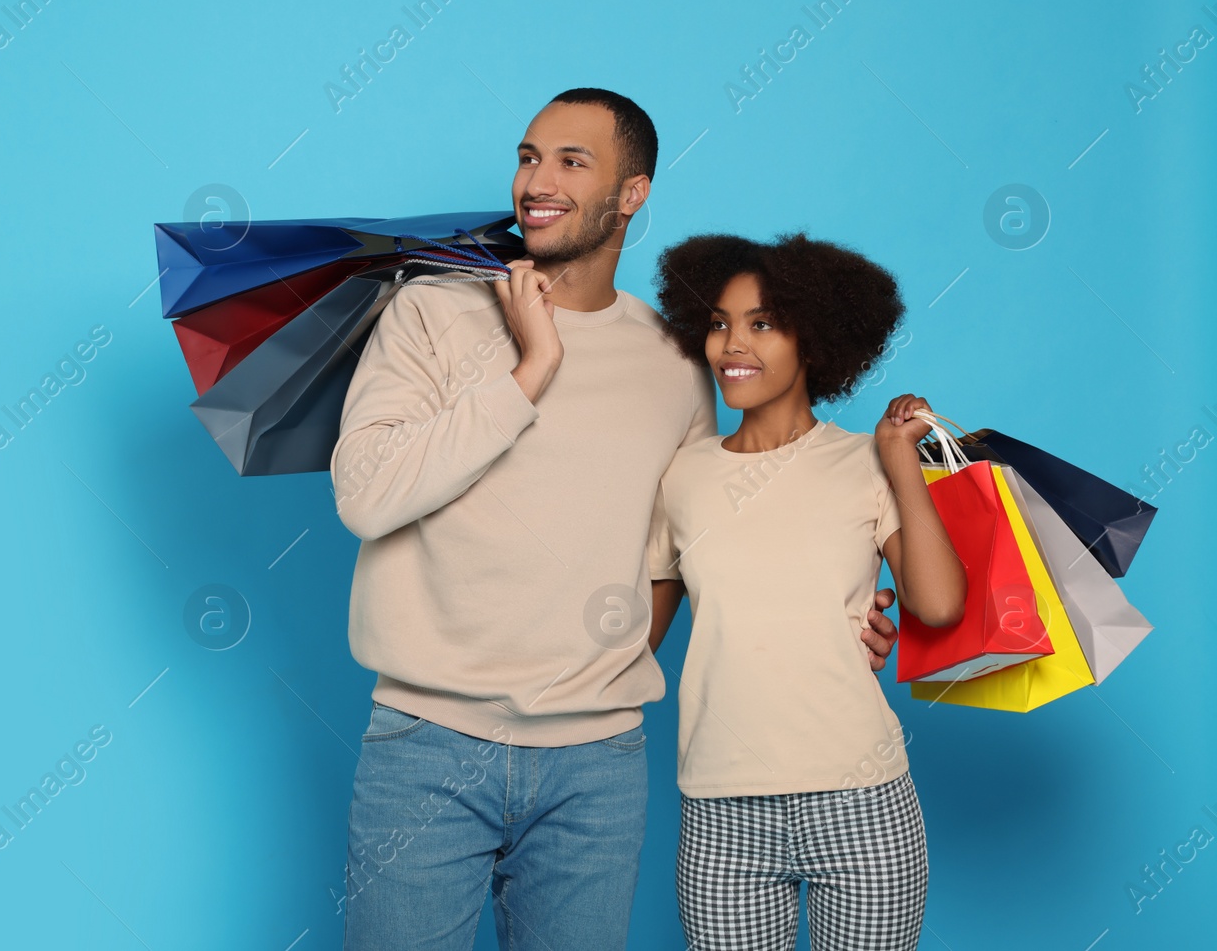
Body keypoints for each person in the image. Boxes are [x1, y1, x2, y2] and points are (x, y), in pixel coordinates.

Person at [329, 89, 902, 949]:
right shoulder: (431, 312)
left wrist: (837, 612)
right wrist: (530, 371)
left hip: (596, 768)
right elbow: (366, 497)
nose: (537, 180)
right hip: (426, 748)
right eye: (528, 156)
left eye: (571, 160)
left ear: (632, 194)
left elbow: (690, 541)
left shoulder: (675, 361)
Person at [650, 233, 967, 950]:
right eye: (720, 322)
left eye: (762, 323)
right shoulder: (680, 477)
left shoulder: (863, 461)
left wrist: (901, 463)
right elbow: (634, 638)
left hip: (861, 803)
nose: (733, 343)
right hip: (721, 813)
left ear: (817, 340)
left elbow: (939, 604)